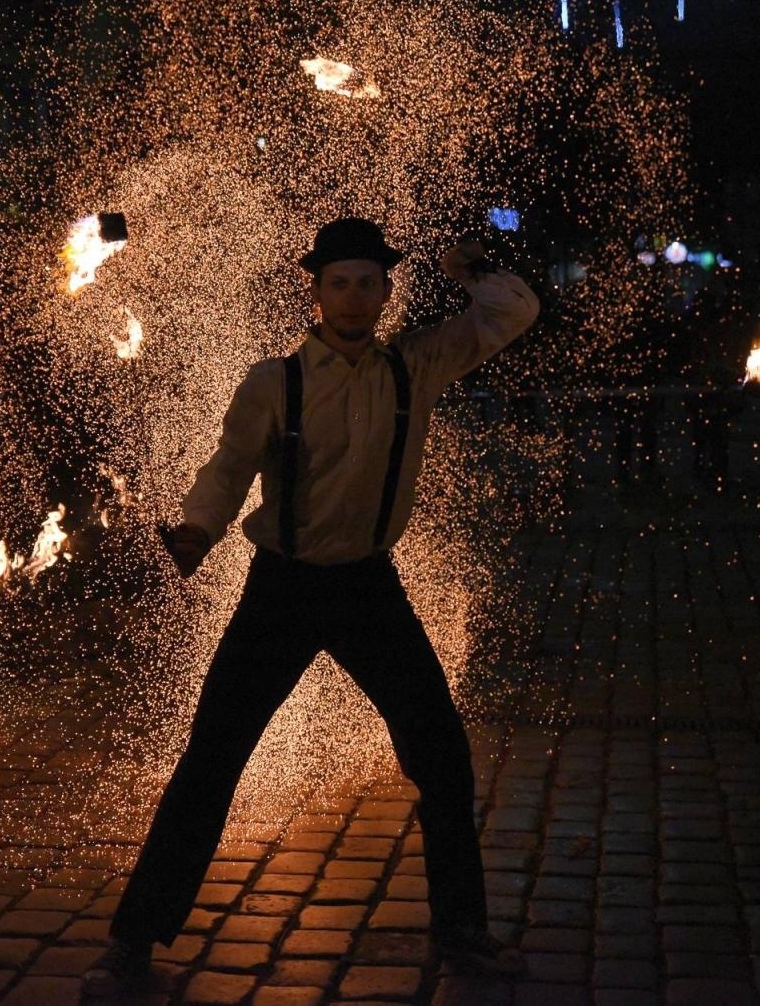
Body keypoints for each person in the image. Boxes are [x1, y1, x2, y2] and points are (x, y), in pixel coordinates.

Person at [82, 218, 540, 996]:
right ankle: (132, 940)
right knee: (211, 761)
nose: (355, 298)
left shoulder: (416, 365)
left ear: (388, 292)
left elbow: (513, 312)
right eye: (340, 284)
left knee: (442, 757)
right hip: (282, 591)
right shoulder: (273, 382)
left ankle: (462, 928)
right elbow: (228, 469)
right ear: (316, 290)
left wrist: (476, 268)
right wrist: (197, 527)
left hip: (369, 589)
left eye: (369, 283)